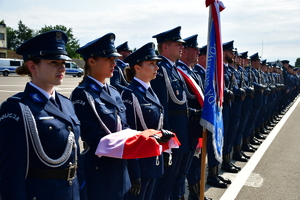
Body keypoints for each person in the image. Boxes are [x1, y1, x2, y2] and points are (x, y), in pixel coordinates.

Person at [70, 33, 174, 200]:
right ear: (91, 61)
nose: (114, 63)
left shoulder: (113, 92)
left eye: (114, 59)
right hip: (100, 171)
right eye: (108, 59)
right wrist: (144, 140)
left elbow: (126, 130)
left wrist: (150, 139)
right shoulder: (82, 94)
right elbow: (94, 137)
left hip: (121, 169)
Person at [0, 30, 83, 200]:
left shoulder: (66, 103)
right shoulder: (16, 108)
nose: (62, 68)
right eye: (54, 62)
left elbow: (76, 159)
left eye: (63, 62)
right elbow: (11, 174)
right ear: (32, 66)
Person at [151, 26, 191, 200]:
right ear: (165, 47)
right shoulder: (161, 71)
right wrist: (166, 135)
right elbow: (162, 107)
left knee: (176, 177)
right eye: (177, 44)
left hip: (182, 132)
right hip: (172, 133)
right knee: (166, 180)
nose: (182, 47)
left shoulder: (174, 69)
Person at [121, 42, 164, 200]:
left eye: (156, 64)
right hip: (140, 164)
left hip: (154, 158)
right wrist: (134, 172)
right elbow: (130, 135)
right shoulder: (130, 94)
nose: (156, 68)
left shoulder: (150, 91)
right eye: (151, 64)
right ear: (137, 68)